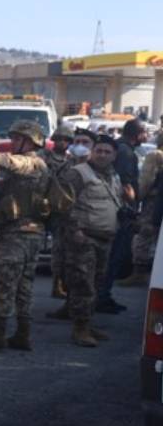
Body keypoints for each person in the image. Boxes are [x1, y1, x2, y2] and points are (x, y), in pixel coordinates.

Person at [0, 121, 50, 352]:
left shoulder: (32, 162)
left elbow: (8, 162)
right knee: (23, 286)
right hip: (25, 233)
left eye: (18, 139)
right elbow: (4, 190)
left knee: (6, 283)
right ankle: (22, 334)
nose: (13, 143)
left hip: (19, 234)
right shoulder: (33, 166)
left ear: (30, 142)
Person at [58, 136, 126, 346]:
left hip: (104, 238)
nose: (102, 155)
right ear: (92, 152)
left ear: (114, 155)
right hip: (84, 238)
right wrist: (74, 230)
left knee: (96, 284)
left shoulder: (113, 176)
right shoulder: (79, 174)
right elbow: (63, 203)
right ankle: (80, 328)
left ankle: (87, 324)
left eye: (107, 152)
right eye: (99, 150)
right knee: (83, 284)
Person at [97, 119, 146, 311]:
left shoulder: (122, 148)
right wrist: (132, 209)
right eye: (144, 133)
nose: (146, 136)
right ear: (137, 133)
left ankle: (103, 295)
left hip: (116, 210)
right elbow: (126, 184)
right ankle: (102, 296)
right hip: (121, 213)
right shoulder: (125, 152)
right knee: (114, 256)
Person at [46, 128, 87, 300]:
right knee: (57, 248)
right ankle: (57, 283)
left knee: (64, 248)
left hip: (66, 206)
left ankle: (61, 283)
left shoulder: (72, 160)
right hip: (50, 205)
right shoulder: (45, 157)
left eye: (66, 140)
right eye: (59, 139)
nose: (62, 142)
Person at [123, 129, 163, 286]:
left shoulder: (155, 155)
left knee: (144, 234)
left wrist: (137, 197)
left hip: (153, 202)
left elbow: (146, 180)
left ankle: (138, 273)